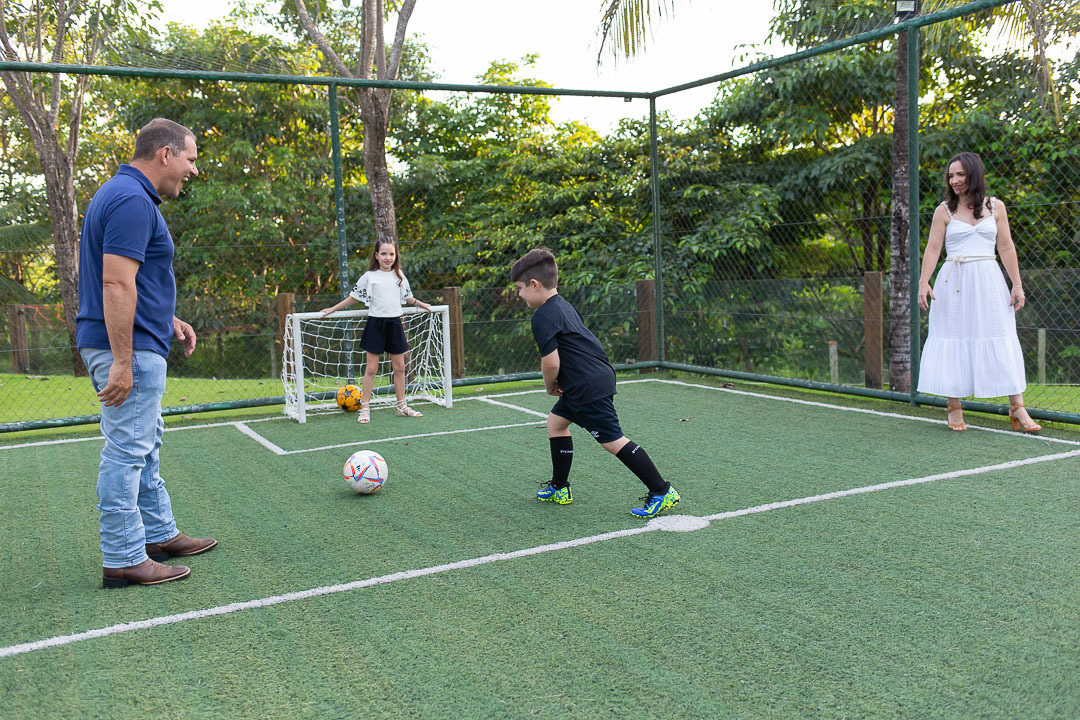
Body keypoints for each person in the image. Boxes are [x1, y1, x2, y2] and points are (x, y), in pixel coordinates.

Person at [76, 118, 217, 589]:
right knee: (128, 451)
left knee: (145, 443)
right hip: (128, 348)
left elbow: (132, 281)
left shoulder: (122, 194)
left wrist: (165, 320)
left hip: (138, 338)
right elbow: (115, 281)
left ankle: (157, 536)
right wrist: (121, 360)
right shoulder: (133, 200)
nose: (193, 170)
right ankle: (122, 558)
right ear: (165, 155)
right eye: (191, 159)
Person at [511, 247, 681, 518]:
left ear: (534, 285)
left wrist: (548, 386)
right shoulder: (562, 305)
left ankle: (661, 490)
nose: (518, 294)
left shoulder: (542, 316)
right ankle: (559, 486)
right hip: (590, 378)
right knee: (556, 423)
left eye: (519, 288)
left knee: (612, 441)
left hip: (586, 385)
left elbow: (551, 362)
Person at [917, 151, 1041, 433]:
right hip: (954, 281)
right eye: (951, 176)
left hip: (989, 280)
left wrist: (1017, 284)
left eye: (960, 174)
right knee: (953, 336)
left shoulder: (996, 207)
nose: (955, 180)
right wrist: (924, 282)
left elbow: (1006, 247)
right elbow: (933, 248)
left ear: (974, 174)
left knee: (1000, 334)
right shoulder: (943, 211)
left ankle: (1017, 407)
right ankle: (954, 407)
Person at [320, 239, 433, 423]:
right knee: (371, 369)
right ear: (376, 255)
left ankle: (402, 406)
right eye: (384, 254)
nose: (388, 257)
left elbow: (409, 298)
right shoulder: (369, 276)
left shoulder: (399, 276)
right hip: (376, 325)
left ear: (395, 256)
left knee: (400, 367)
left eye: (391, 254)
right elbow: (353, 298)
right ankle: (364, 408)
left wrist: (423, 304)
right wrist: (332, 309)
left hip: (395, 324)